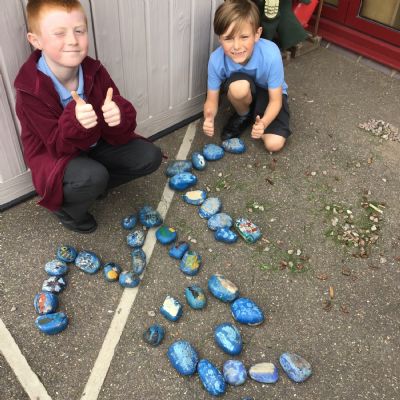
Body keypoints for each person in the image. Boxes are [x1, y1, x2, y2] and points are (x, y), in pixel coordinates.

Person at [14, 0, 162, 233]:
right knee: (92, 176)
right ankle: (66, 209)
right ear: (36, 41)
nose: (73, 40)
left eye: (79, 31)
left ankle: (94, 184)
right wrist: (76, 123)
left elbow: (119, 126)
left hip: (94, 143)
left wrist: (118, 116)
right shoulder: (30, 91)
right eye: (59, 33)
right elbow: (56, 146)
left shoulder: (94, 70)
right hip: (55, 156)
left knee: (149, 156)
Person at [203, 0, 291, 153]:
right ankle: (243, 114)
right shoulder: (216, 59)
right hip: (241, 88)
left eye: (244, 37)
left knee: (274, 144)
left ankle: (255, 116)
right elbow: (211, 100)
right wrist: (209, 117)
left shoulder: (271, 54)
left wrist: (263, 123)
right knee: (239, 88)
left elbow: (276, 100)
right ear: (220, 38)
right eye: (228, 38)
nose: (237, 46)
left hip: (269, 93)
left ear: (257, 34)